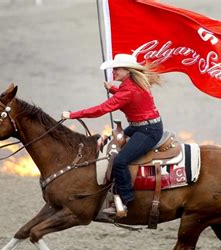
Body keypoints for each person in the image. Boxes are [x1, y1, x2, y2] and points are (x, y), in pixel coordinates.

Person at [61, 53, 163, 214]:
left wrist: (72, 115)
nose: (113, 72)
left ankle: (126, 200)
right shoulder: (131, 85)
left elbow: (101, 109)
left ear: (128, 71)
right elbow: (129, 97)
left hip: (147, 131)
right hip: (141, 127)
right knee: (110, 144)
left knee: (120, 161)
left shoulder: (128, 89)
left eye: (117, 69)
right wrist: (114, 89)